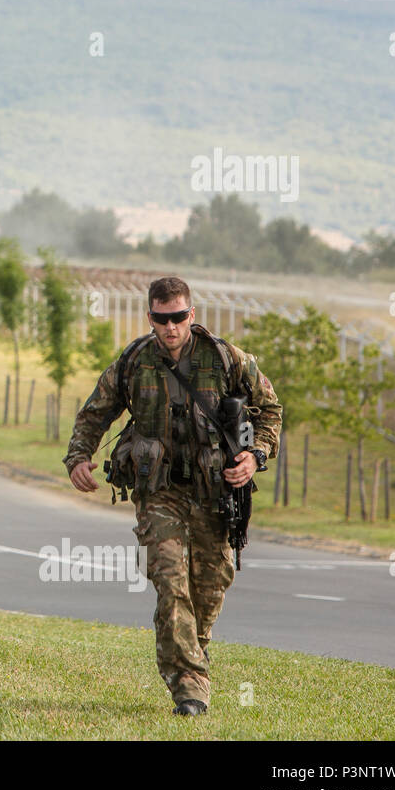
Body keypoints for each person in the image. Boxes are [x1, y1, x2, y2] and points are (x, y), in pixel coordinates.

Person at [64, 275, 281, 717]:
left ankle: (192, 652)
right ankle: (190, 687)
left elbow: (270, 411)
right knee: (170, 580)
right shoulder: (134, 362)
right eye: (162, 319)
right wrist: (79, 457)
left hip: (214, 492)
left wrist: (255, 455)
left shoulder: (226, 359)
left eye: (178, 317)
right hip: (159, 492)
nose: (171, 327)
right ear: (150, 317)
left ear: (191, 314)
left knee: (210, 586)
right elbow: (95, 411)